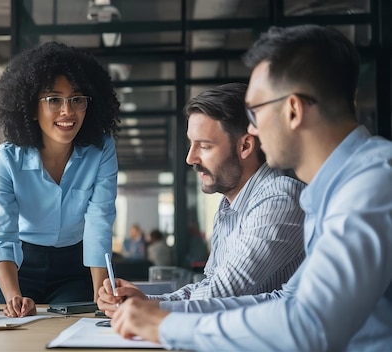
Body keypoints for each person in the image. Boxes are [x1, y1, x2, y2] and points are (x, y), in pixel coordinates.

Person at [108, 25, 392, 351]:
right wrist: (162, 313)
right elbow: (284, 301)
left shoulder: (371, 184)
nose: (252, 130)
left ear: (293, 110)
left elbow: (309, 325)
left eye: (254, 111)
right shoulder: (332, 190)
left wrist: (169, 325)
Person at [98, 82, 305, 305]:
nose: (190, 158)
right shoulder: (228, 208)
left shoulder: (279, 198)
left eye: (204, 146)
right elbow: (211, 286)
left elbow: (226, 291)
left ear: (245, 146)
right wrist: (146, 300)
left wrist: (152, 307)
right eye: (191, 144)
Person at [0, 41, 120, 317]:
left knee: (76, 323)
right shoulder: (7, 158)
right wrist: (14, 297)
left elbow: (99, 221)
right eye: (54, 99)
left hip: (72, 268)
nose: (67, 111)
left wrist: (103, 299)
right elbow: (4, 233)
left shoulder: (101, 149)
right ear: (30, 106)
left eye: (77, 99)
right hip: (17, 262)